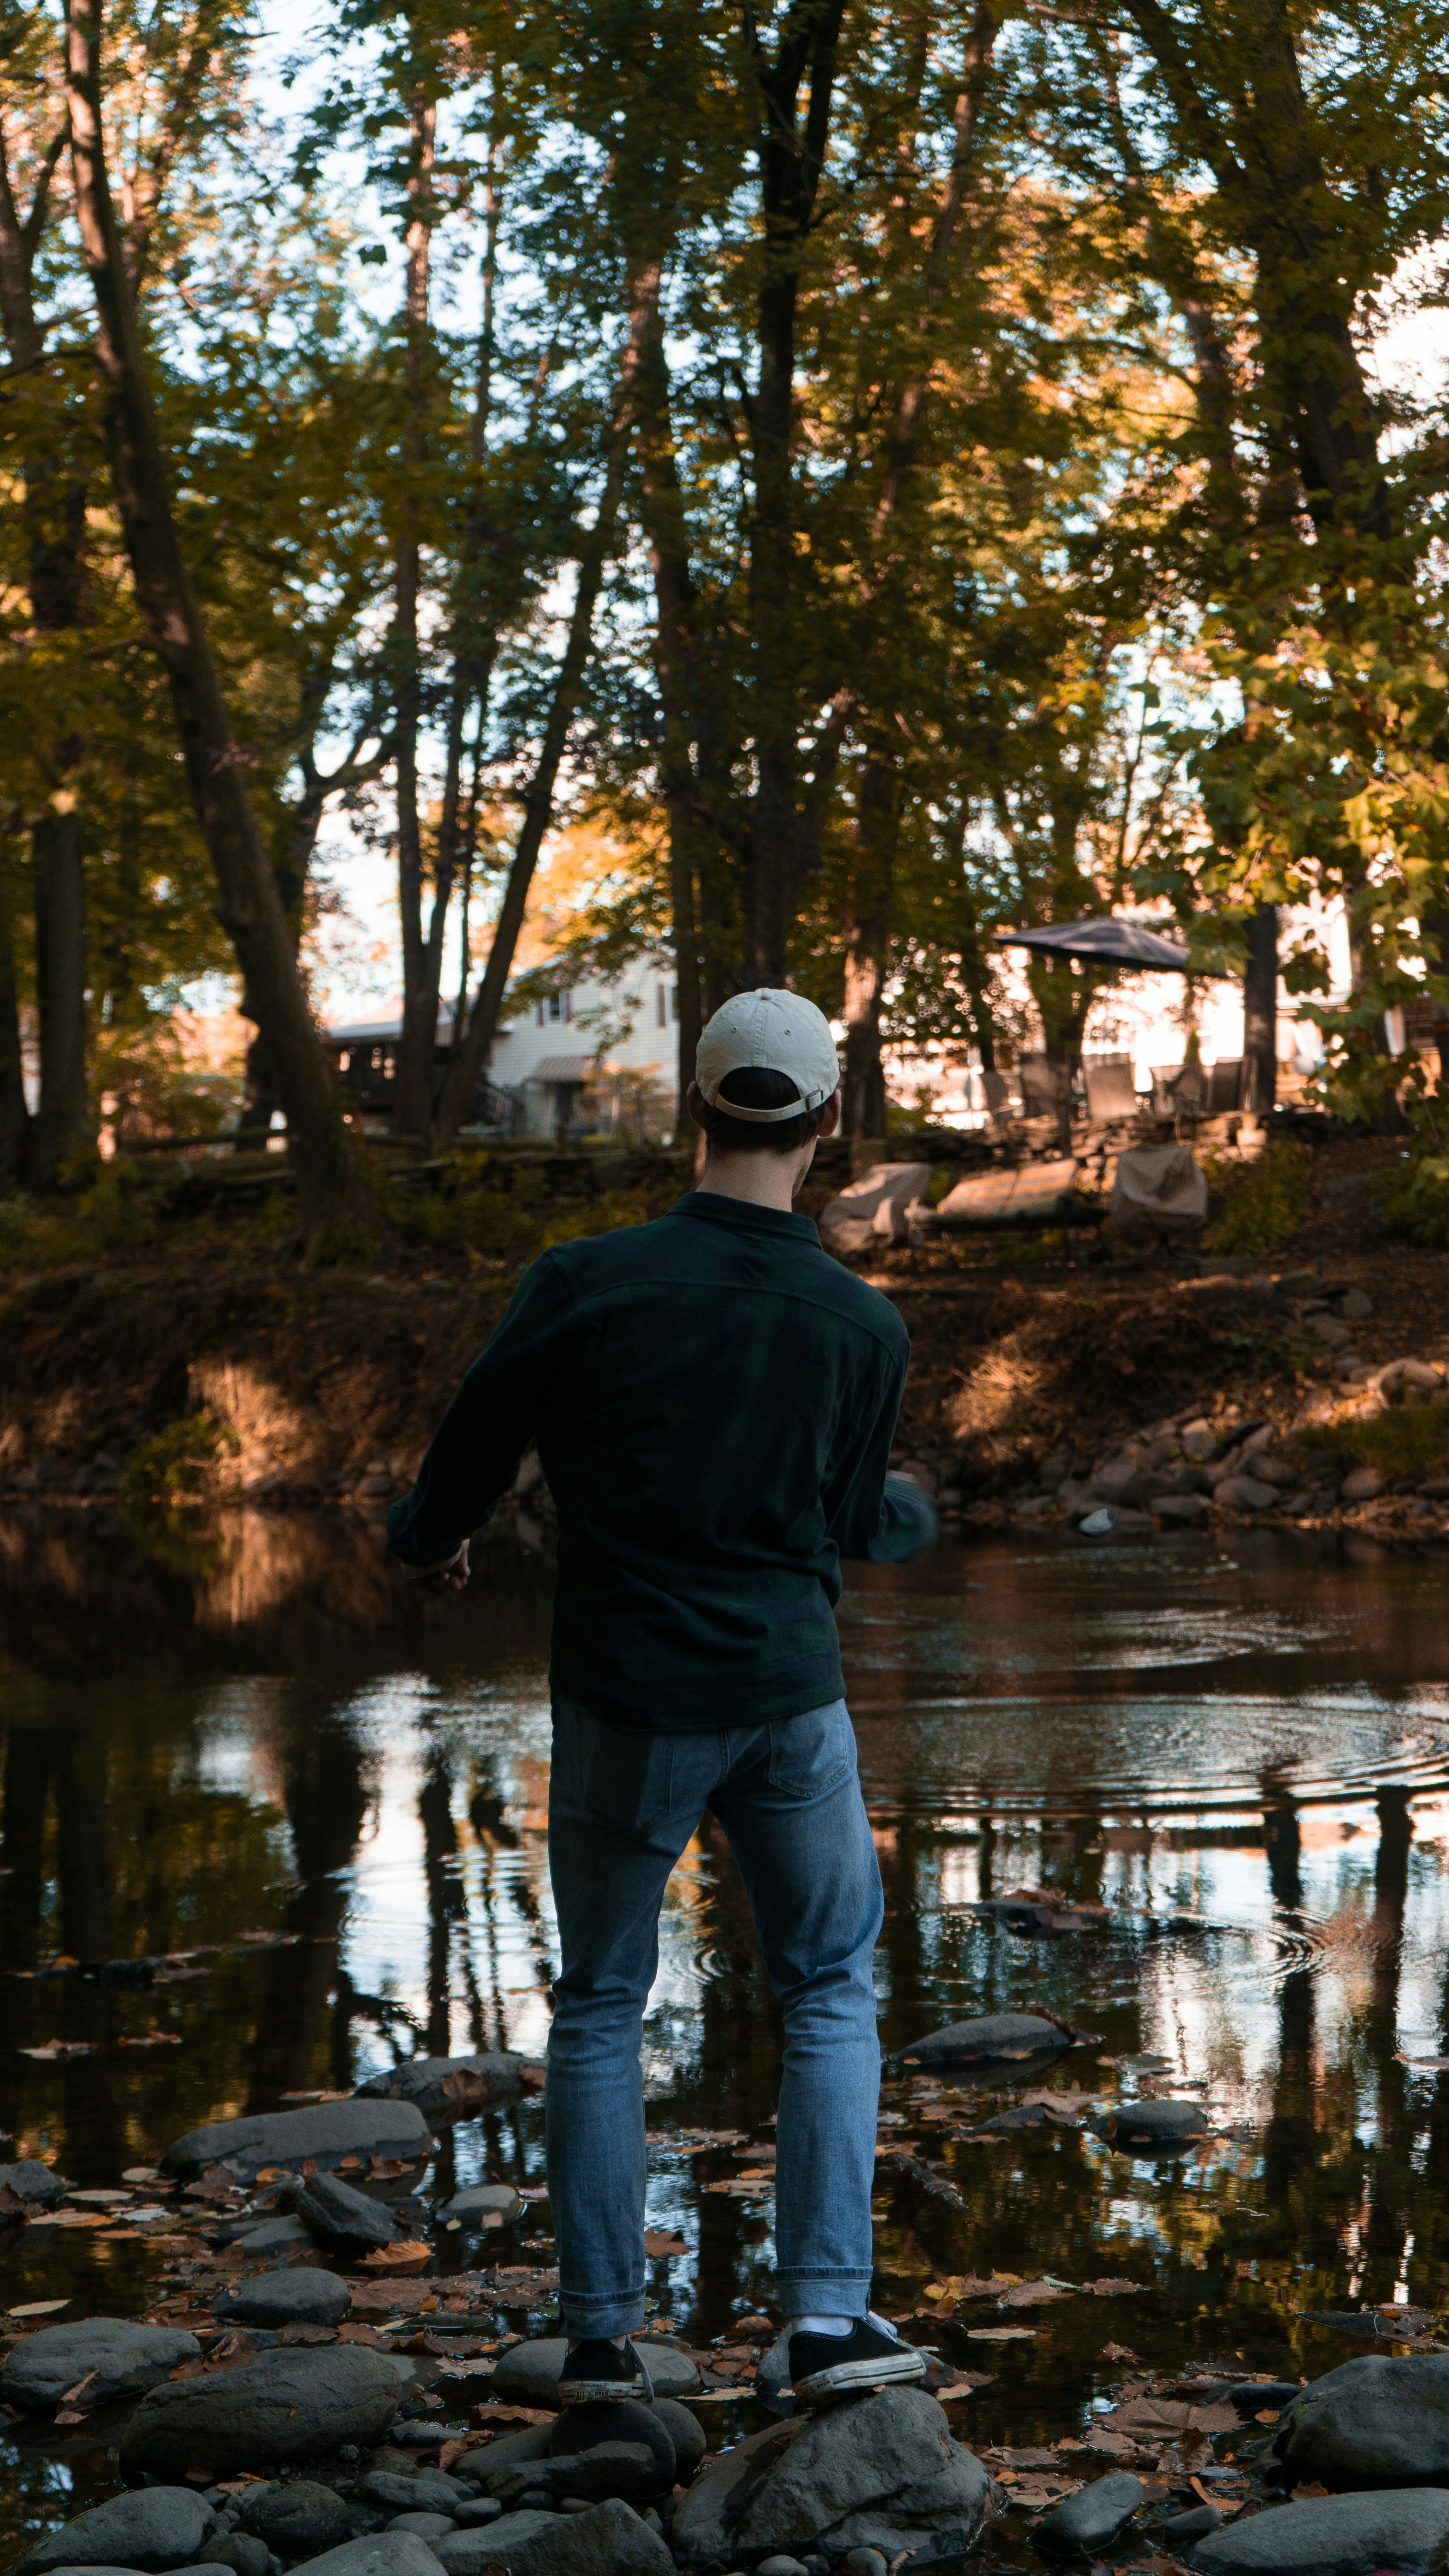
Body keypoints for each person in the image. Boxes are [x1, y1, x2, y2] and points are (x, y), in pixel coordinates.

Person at [388, 989, 938, 2406]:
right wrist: (904, 1514)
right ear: (829, 1119)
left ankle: (600, 2337)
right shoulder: (861, 1325)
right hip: (789, 1698)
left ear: (698, 1109)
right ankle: (823, 2320)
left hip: (631, 1701)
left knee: (599, 2000)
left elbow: (472, 1445)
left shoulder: (585, 1281)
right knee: (826, 1986)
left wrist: (429, 1539)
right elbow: (843, 1521)